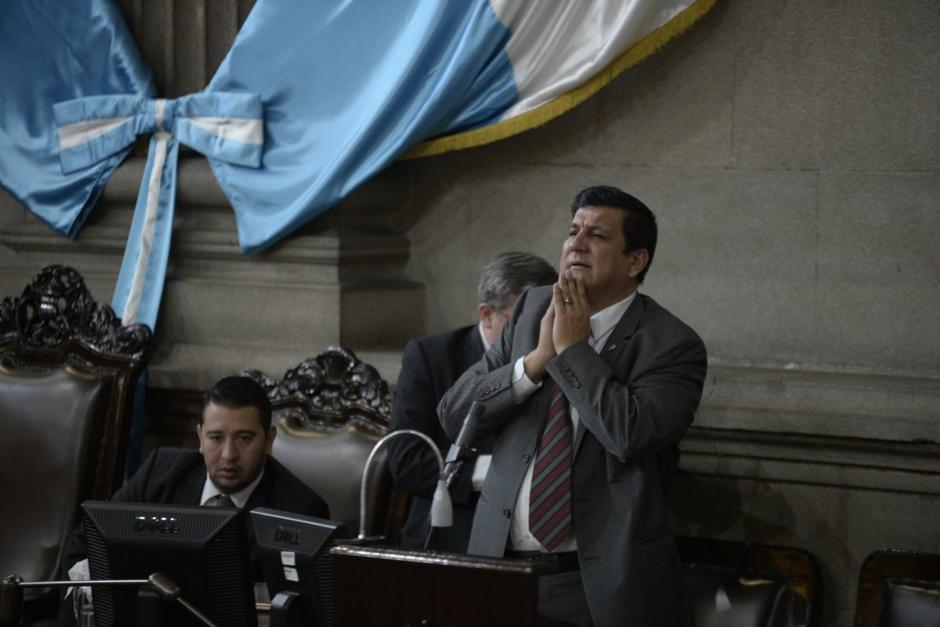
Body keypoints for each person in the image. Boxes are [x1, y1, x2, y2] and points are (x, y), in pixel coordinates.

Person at [438, 186, 707, 627]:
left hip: (596, 586)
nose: (576, 244)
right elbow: (455, 414)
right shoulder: (530, 311)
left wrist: (573, 350)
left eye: (597, 236)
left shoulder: (671, 344)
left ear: (635, 261)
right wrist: (536, 361)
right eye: (572, 231)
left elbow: (630, 434)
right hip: (497, 568)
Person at [63, 375, 329, 583]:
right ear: (200, 437)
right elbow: (86, 541)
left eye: (244, 439)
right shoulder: (161, 472)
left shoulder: (300, 511)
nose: (228, 455)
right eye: (216, 438)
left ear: (269, 440)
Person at [388, 252, 556, 551]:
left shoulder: (556, 357)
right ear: (486, 314)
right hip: (454, 524)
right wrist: (490, 473)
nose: (537, 331)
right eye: (521, 319)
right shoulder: (431, 357)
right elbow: (407, 459)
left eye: (546, 318)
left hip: (537, 527)